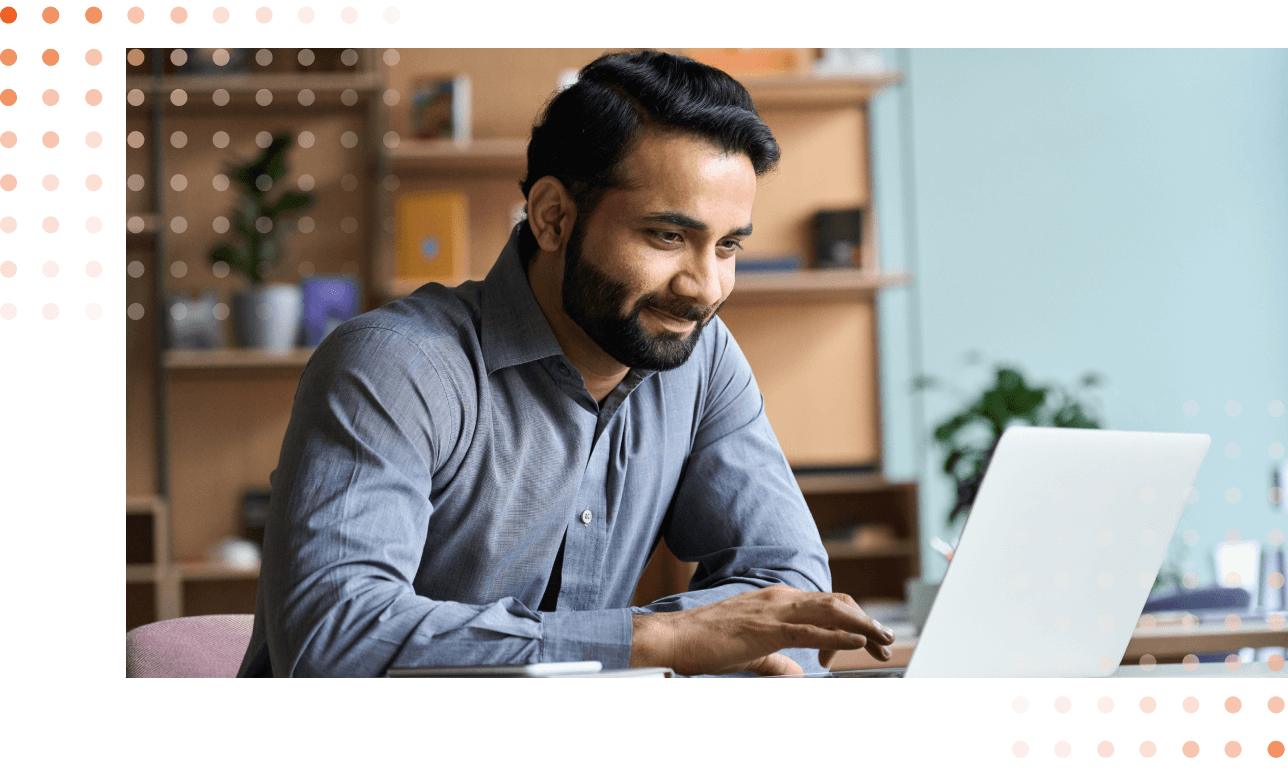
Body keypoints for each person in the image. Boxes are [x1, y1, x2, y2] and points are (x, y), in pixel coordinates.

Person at [237, 49, 895, 677]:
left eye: (727, 247)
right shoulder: (393, 365)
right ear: (553, 217)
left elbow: (790, 590)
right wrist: (662, 640)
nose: (704, 287)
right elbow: (334, 642)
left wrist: (683, 646)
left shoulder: (701, 358)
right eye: (668, 235)